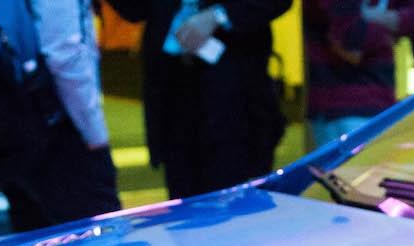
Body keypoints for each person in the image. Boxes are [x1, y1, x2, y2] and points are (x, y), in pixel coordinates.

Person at [106, 0, 294, 199]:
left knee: (235, 197)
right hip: (173, 90)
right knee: (183, 198)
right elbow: (135, 9)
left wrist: (219, 15)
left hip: (235, 92)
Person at [3, 0, 122, 231]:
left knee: (34, 239)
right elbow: (64, 54)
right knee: (100, 239)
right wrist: (95, 133)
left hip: (13, 128)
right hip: (61, 131)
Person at [305, 0, 414, 147]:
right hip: (341, 103)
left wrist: (372, 18)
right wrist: (385, 34)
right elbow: (350, 42)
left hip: (379, 100)